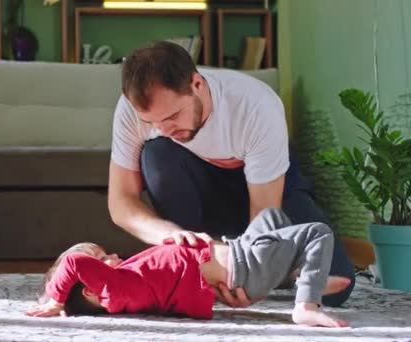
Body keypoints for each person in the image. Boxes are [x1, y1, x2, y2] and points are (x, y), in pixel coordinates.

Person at [107, 41, 355, 307]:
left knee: (337, 282)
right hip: (201, 195)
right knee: (156, 154)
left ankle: (260, 269)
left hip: (269, 197)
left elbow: (264, 214)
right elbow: (121, 202)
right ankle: (203, 263)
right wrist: (170, 236)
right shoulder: (132, 113)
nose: (165, 129)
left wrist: (251, 281)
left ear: (197, 84)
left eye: (173, 116)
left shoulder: (255, 106)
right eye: (152, 122)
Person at [26, 209, 350, 327]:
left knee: (271, 217)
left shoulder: (126, 282)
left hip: (238, 257)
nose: (112, 255)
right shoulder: (115, 290)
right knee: (317, 232)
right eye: (103, 258)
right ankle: (306, 303)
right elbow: (73, 262)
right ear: (90, 289)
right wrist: (55, 300)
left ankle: (301, 276)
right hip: (243, 267)